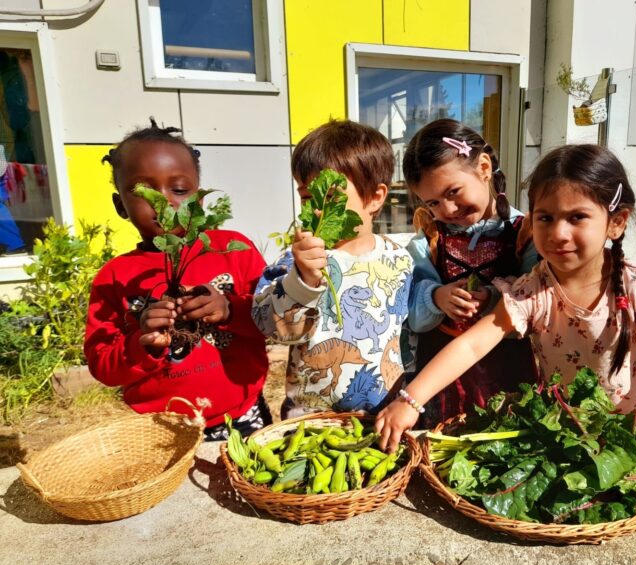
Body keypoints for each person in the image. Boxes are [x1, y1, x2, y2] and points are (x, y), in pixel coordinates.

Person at [377, 143, 636, 486]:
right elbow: (472, 345)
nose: (558, 233)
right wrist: (411, 400)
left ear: (616, 222)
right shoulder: (533, 290)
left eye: (577, 217)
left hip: (634, 443)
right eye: (545, 217)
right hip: (566, 442)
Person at [84, 118, 272, 441]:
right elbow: (102, 364)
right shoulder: (113, 278)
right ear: (120, 206)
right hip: (161, 430)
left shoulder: (231, 249)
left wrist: (230, 309)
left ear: (199, 199)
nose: (165, 201)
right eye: (144, 191)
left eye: (180, 189)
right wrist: (140, 343)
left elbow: (272, 319)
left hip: (242, 415)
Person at [253, 119, 413, 419]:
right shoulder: (294, 260)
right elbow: (270, 327)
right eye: (305, 197)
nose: (316, 210)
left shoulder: (400, 259)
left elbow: (407, 334)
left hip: (382, 415)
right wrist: (303, 280)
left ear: (376, 197)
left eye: (330, 198)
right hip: (309, 418)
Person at [402, 118, 538, 428]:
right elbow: (412, 313)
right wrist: (436, 296)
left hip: (507, 368)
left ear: (484, 168)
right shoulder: (428, 239)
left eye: (453, 192)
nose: (447, 210)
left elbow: (536, 304)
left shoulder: (525, 234)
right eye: (433, 202)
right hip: (441, 374)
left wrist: (494, 298)